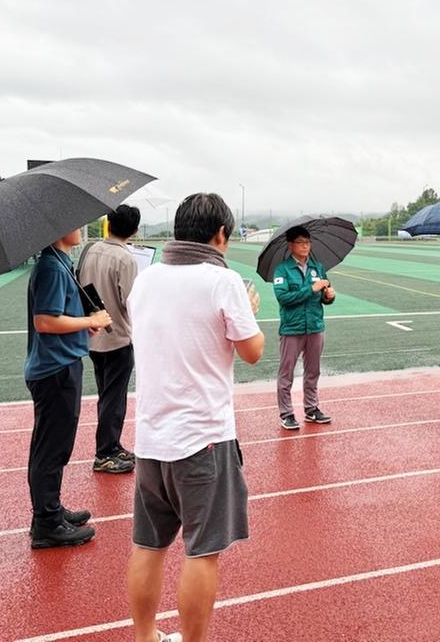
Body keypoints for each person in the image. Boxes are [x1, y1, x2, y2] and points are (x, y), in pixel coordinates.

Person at [126, 192, 264, 642]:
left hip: (150, 437)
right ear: (220, 234)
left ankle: (145, 636)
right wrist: (250, 313)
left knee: (148, 545)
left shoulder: (146, 280)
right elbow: (252, 353)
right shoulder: (222, 281)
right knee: (202, 552)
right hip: (203, 438)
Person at [25, 228, 113, 549]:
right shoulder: (51, 266)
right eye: (76, 224)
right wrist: (88, 322)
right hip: (55, 370)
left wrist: (83, 327)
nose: (81, 229)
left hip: (61, 365)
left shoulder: (60, 262)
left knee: (54, 446)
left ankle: (50, 510)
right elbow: (45, 321)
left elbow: (61, 317)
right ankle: (47, 522)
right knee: (51, 448)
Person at [78, 204, 141, 474]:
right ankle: (105, 452)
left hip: (93, 337)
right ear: (134, 230)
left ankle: (112, 445)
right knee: (114, 399)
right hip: (117, 339)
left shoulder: (90, 250)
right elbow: (132, 303)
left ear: (109, 224)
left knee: (106, 395)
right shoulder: (125, 259)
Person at [273, 225, 335, 430]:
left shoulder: (318, 267)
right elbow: (284, 298)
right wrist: (311, 289)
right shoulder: (282, 270)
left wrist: (328, 297)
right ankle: (287, 413)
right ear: (291, 245)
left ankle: (311, 408)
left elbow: (324, 296)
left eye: (308, 242)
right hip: (292, 328)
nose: (305, 246)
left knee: (313, 370)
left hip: (315, 326)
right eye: (301, 242)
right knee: (286, 373)